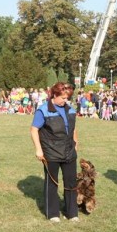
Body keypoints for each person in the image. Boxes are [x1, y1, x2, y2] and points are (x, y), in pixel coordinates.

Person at [31, 82, 80, 222]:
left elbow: (73, 128)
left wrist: (76, 143)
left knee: (71, 182)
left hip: (69, 151)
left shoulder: (70, 110)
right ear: (54, 95)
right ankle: (52, 213)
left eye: (67, 98)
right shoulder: (43, 110)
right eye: (63, 98)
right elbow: (34, 130)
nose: (65, 101)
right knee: (52, 183)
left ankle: (72, 213)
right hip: (51, 152)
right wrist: (38, 149)